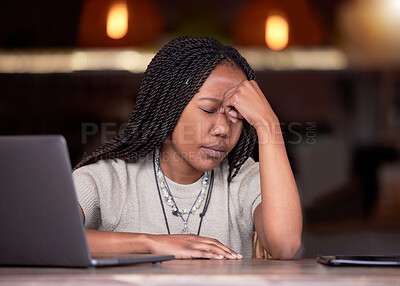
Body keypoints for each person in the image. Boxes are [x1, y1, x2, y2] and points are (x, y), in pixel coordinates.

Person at [72, 36, 302, 260]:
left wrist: (268, 123)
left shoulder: (244, 178)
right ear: (167, 109)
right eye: (209, 110)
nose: (223, 129)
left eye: (237, 115)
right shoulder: (110, 178)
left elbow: (284, 245)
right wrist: (150, 244)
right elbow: (44, 237)